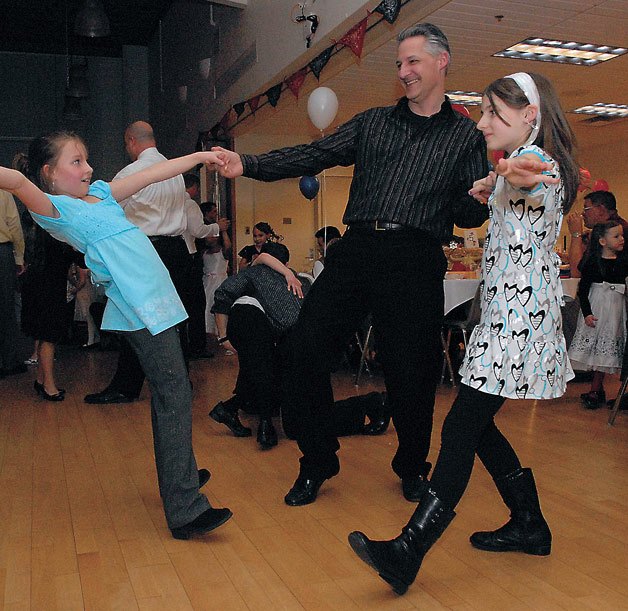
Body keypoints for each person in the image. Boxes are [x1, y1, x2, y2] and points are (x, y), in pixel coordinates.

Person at [214, 22, 490, 506]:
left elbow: (468, 214)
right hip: (358, 248)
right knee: (302, 349)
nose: (403, 72)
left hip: (416, 256)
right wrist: (249, 165)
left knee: (413, 372)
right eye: (399, 64)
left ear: (441, 62)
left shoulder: (465, 137)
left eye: (413, 62)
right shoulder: (373, 123)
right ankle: (318, 460)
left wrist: (481, 197)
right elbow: (314, 153)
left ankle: (411, 466)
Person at [346, 71, 580, 595]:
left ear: (530, 117)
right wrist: (490, 183)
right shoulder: (516, 169)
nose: (482, 122)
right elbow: (508, 182)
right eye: (484, 111)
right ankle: (529, 523)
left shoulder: (539, 165)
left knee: (458, 429)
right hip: (502, 318)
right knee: (479, 428)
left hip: (516, 325)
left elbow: (529, 171)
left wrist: (506, 173)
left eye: (496, 113)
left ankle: (408, 552)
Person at [1, 130, 231, 540]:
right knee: (174, 391)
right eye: (76, 162)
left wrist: (198, 156)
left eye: (86, 159)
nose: (88, 168)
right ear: (49, 173)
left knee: (171, 390)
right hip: (140, 301)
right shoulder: (56, 209)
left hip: (157, 295)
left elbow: (152, 174)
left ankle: (180, 471)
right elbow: (17, 182)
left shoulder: (103, 194)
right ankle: (185, 509)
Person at [84, 121, 222, 404]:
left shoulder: (132, 173)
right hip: (177, 250)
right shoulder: (174, 175)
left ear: (131, 141)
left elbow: (110, 210)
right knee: (175, 318)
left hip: (146, 251)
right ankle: (180, 381)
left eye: (126, 144)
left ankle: (126, 386)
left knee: (136, 319)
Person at [209, 252, 390, 448]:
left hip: (299, 347)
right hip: (315, 345)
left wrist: (223, 337)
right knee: (306, 413)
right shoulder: (303, 279)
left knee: (300, 423)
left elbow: (223, 294)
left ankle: (374, 403)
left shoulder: (255, 275)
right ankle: (374, 403)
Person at [568, 221, 628, 409]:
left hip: (616, 309)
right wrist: (587, 313)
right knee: (595, 345)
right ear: (602, 241)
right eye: (616, 236)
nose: (622, 239)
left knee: (609, 342)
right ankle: (595, 388)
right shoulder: (593, 263)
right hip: (598, 307)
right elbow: (583, 291)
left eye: (621, 235)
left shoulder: (623, 261)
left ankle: (598, 389)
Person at [0, 188, 27, 378]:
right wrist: (19, 257)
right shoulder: (2, 189)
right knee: (5, 309)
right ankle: (8, 362)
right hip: (2, 252)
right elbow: (14, 225)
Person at [199, 201, 231, 344]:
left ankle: (222, 334)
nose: (210, 238)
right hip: (207, 282)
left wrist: (223, 230)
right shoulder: (203, 252)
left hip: (219, 281)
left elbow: (228, 246)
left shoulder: (222, 252)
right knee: (205, 308)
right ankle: (208, 334)